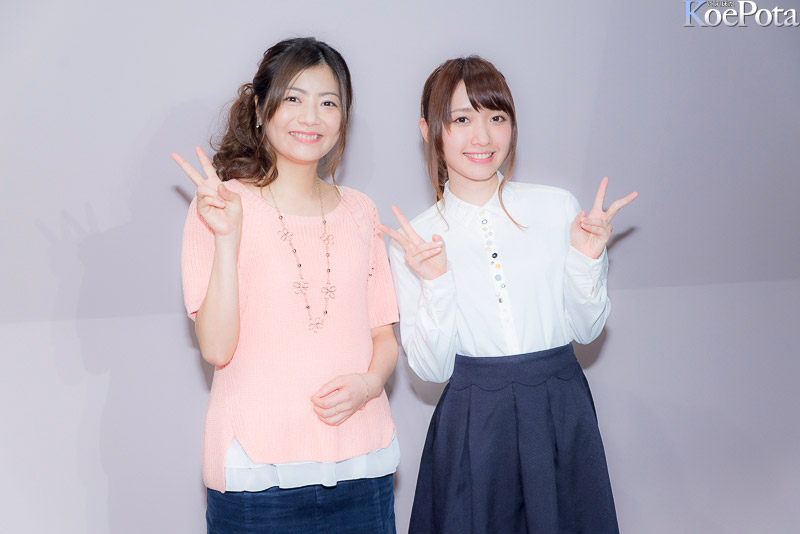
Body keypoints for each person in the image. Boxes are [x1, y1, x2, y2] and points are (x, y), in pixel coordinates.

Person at [381, 56, 638, 533]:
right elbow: (432, 370)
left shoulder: (556, 207)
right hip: (473, 418)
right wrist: (436, 282)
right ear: (429, 130)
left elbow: (587, 330)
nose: (482, 137)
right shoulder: (414, 240)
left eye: (496, 117)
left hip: (559, 405)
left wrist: (587, 258)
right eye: (462, 120)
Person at [172, 37, 399, 533]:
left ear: (343, 118)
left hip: (363, 468)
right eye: (294, 98)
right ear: (260, 109)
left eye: (328, 102)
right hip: (259, 477)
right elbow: (216, 347)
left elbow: (383, 336)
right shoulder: (221, 205)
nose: (311, 117)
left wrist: (367, 385)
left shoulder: (361, 211)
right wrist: (228, 238)